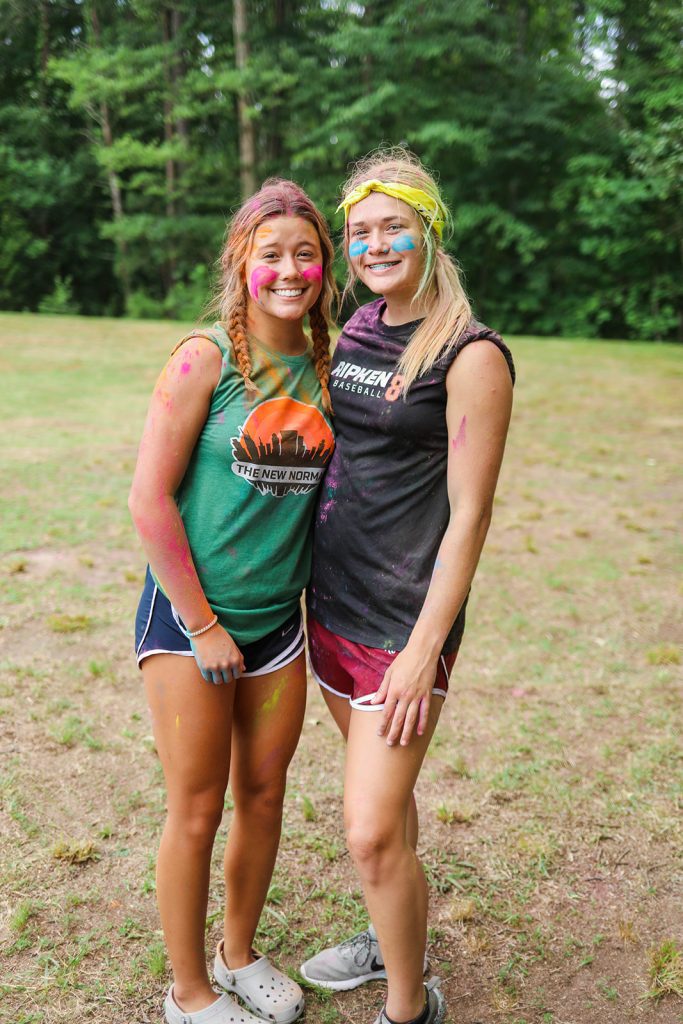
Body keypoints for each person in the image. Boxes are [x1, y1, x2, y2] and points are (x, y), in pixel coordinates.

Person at [300, 150, 515, 1024]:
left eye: (394, 228)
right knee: (387, 814)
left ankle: (407, 1005)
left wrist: (424, 651)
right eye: (359, 232)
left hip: (400, 627)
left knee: (366, 830)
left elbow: (470, 516)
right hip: (329, 607)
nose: (374, 245)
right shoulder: (358, 327)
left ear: (429, 232)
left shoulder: (470, 354)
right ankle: (395, 937)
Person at [129, 179, 336, 1024]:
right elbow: (148, 499)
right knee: (196, 808)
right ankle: (188, 992)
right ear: (240, 263)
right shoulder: (202, 358)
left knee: (263, 796)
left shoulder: (329, 367)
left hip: (277, 628)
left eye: (305, 254)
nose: (289, 270)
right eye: (270, 254)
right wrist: (205, 625)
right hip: (191, 625)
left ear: (324, 267)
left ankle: (239, 954)